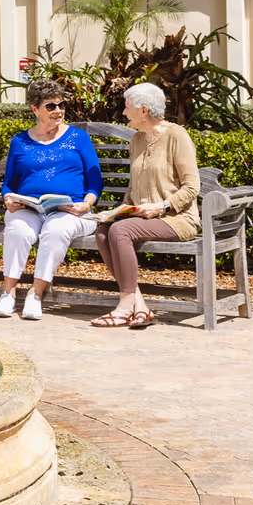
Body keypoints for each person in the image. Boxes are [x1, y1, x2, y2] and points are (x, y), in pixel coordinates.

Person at [93, 82, 201, 329]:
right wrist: (118, 211)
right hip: (142, 218)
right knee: (102, 231)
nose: (123, 113)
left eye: (127, 107)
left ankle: (124, 305)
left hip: (177, 218)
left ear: (143, 111)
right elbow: (134, 186)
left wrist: (162, 206)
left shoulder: (177, 136)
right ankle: (139, 304)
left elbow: (192, 187)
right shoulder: (137, 140)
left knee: (121, 231)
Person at [0, 79, 102, 319]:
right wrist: (8, 199)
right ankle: (8, 293)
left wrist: (86, 203)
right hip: (29, 208)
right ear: (35, 109)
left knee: (55, 230)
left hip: (72, 210)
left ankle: (35, 294)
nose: (58, 111)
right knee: (18, 230)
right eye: (51, 106)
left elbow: (95, 182)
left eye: (62, 105)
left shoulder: (79, 138)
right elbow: (9, 183)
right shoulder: (20, 142)